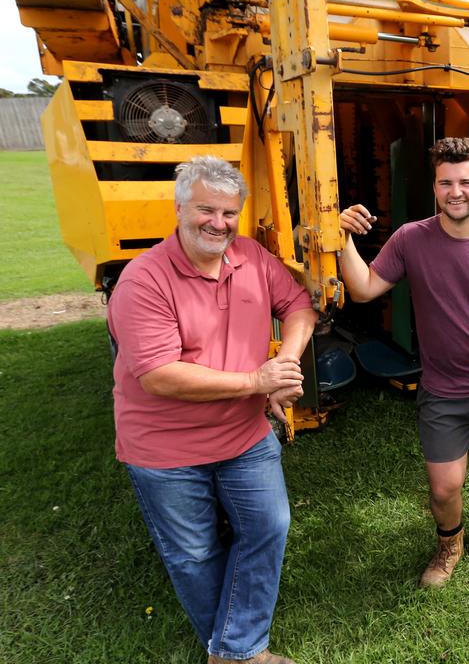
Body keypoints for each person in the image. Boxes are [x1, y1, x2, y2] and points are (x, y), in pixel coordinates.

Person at [108, 156, 317, 664]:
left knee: (268, 527)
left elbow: (299, 307)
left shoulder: (250, 256)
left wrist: (284, 365)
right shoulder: (144, 281)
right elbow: (158, 374)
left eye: (229, 213)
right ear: (179, 208)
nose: (218, 224)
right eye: (206, 210)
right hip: (166, 450)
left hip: (245, 435)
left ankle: (229, 651)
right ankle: (241, 653)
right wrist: (255, 381)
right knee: (195, 554)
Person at [338, 136, 469, 587]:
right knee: (445, 486)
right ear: (434, 187)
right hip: (442, 390)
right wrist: (342, 238)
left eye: (466, 182)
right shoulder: (412, 239)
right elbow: (364, 288)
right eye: (445, 182)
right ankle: (449, 543)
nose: (456, 191)